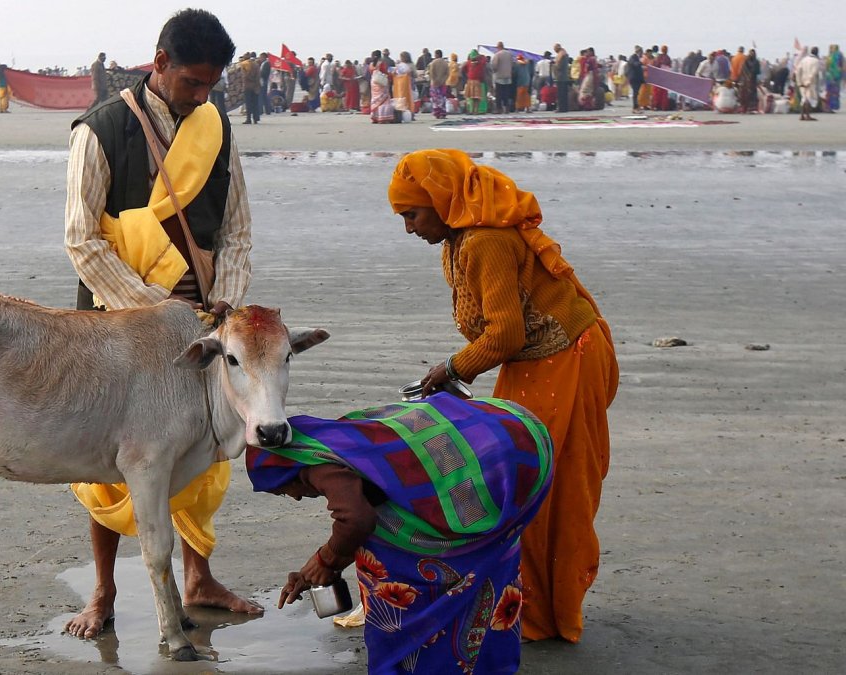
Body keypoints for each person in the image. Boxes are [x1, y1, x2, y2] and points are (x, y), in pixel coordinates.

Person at [62, 7, 260, 640]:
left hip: (200, 313)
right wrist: (149, 307)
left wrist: (223, 302)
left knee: (206, 450)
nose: (201, 96)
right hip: (113, 320)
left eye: (210, 86)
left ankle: (199, 577)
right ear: (160, 63)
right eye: (191, 84)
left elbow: (235, 229)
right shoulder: (99, 129)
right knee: (104, 459)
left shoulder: (216, 127)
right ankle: (103, 590)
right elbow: (81, 238)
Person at [388, 149, 619, 643]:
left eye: (411, 213)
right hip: (529, 363)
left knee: (551, 486)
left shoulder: (485, 240)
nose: (408, 228)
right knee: (513, 475)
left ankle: (549, 613)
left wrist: (448, 370)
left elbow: (505, 334)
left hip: (566, 356)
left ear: (440, 200)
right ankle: (524, 600)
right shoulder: (458, 238)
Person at [248, 391, 554, 673]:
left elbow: (355, 520)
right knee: (488, 559)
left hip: (499, 458)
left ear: (285, 467)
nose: (295, 497)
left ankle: (414, 661)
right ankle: (487, 660)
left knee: (385, 552)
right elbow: (374, 498)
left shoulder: (317, 465)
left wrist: (327, 560)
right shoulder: (344, 438)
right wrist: (317, 568)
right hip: (518, 436)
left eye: (281, 490)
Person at [795, 47, 824, 121]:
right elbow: (814, 73)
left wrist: (799, 81)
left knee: (803, 98)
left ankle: (802, 115)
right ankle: (807, 116)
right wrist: (809, 81)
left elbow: (798, 70)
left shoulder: (804, 59)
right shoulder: (816, 61)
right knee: (809, 99)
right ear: (817, 52)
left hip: (802, 81)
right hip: (810, 82)